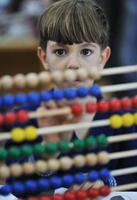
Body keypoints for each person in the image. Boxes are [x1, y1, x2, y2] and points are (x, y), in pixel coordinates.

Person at [1, 0, 137, 199]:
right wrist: (47, 155)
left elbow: (132, 178)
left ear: (103, 59)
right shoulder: (24, 119)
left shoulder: (123, 119)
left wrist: (106, 183)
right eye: (60, 51)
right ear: (44, 58)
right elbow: (15, 190)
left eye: (86, 52)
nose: (73, 64)